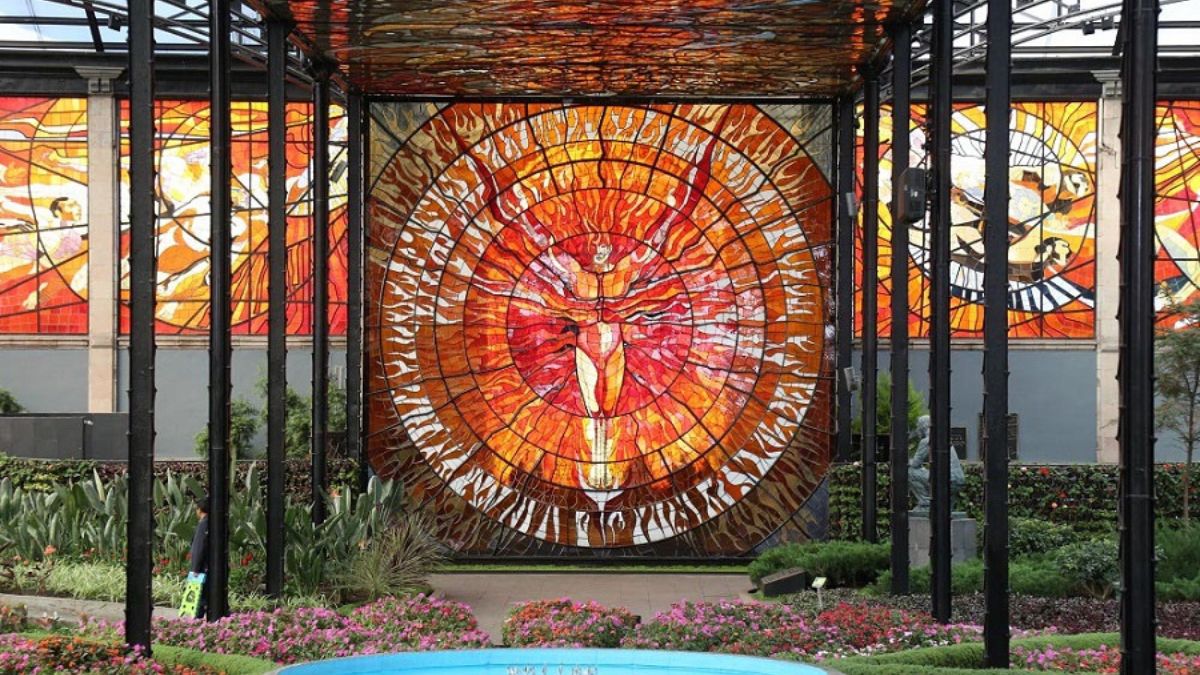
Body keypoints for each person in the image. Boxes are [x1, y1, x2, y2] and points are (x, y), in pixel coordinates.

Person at [187, 495, 210, 618]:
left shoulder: (203, 524)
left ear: (200, 510)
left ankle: (196, 622)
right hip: (210, 567)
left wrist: (195, 569)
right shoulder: (213, 523)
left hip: (202, 568)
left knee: (198, 599)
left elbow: (198, 548)